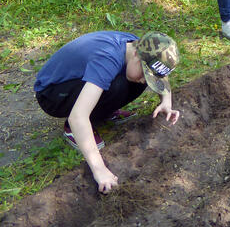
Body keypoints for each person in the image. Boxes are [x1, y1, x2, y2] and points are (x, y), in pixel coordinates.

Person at [34, 31, 180, 194]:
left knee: (134, 80)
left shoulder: (139, 46)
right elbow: (78, 117)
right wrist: (99, 169)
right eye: (146, 74)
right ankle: (72, 130)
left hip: (81, 79)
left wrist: (166, 101)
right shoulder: (107, 59)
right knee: (117, 84)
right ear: (137, 56)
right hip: (52, 94)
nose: (145, 79)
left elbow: (157, 71)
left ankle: (103, 111)